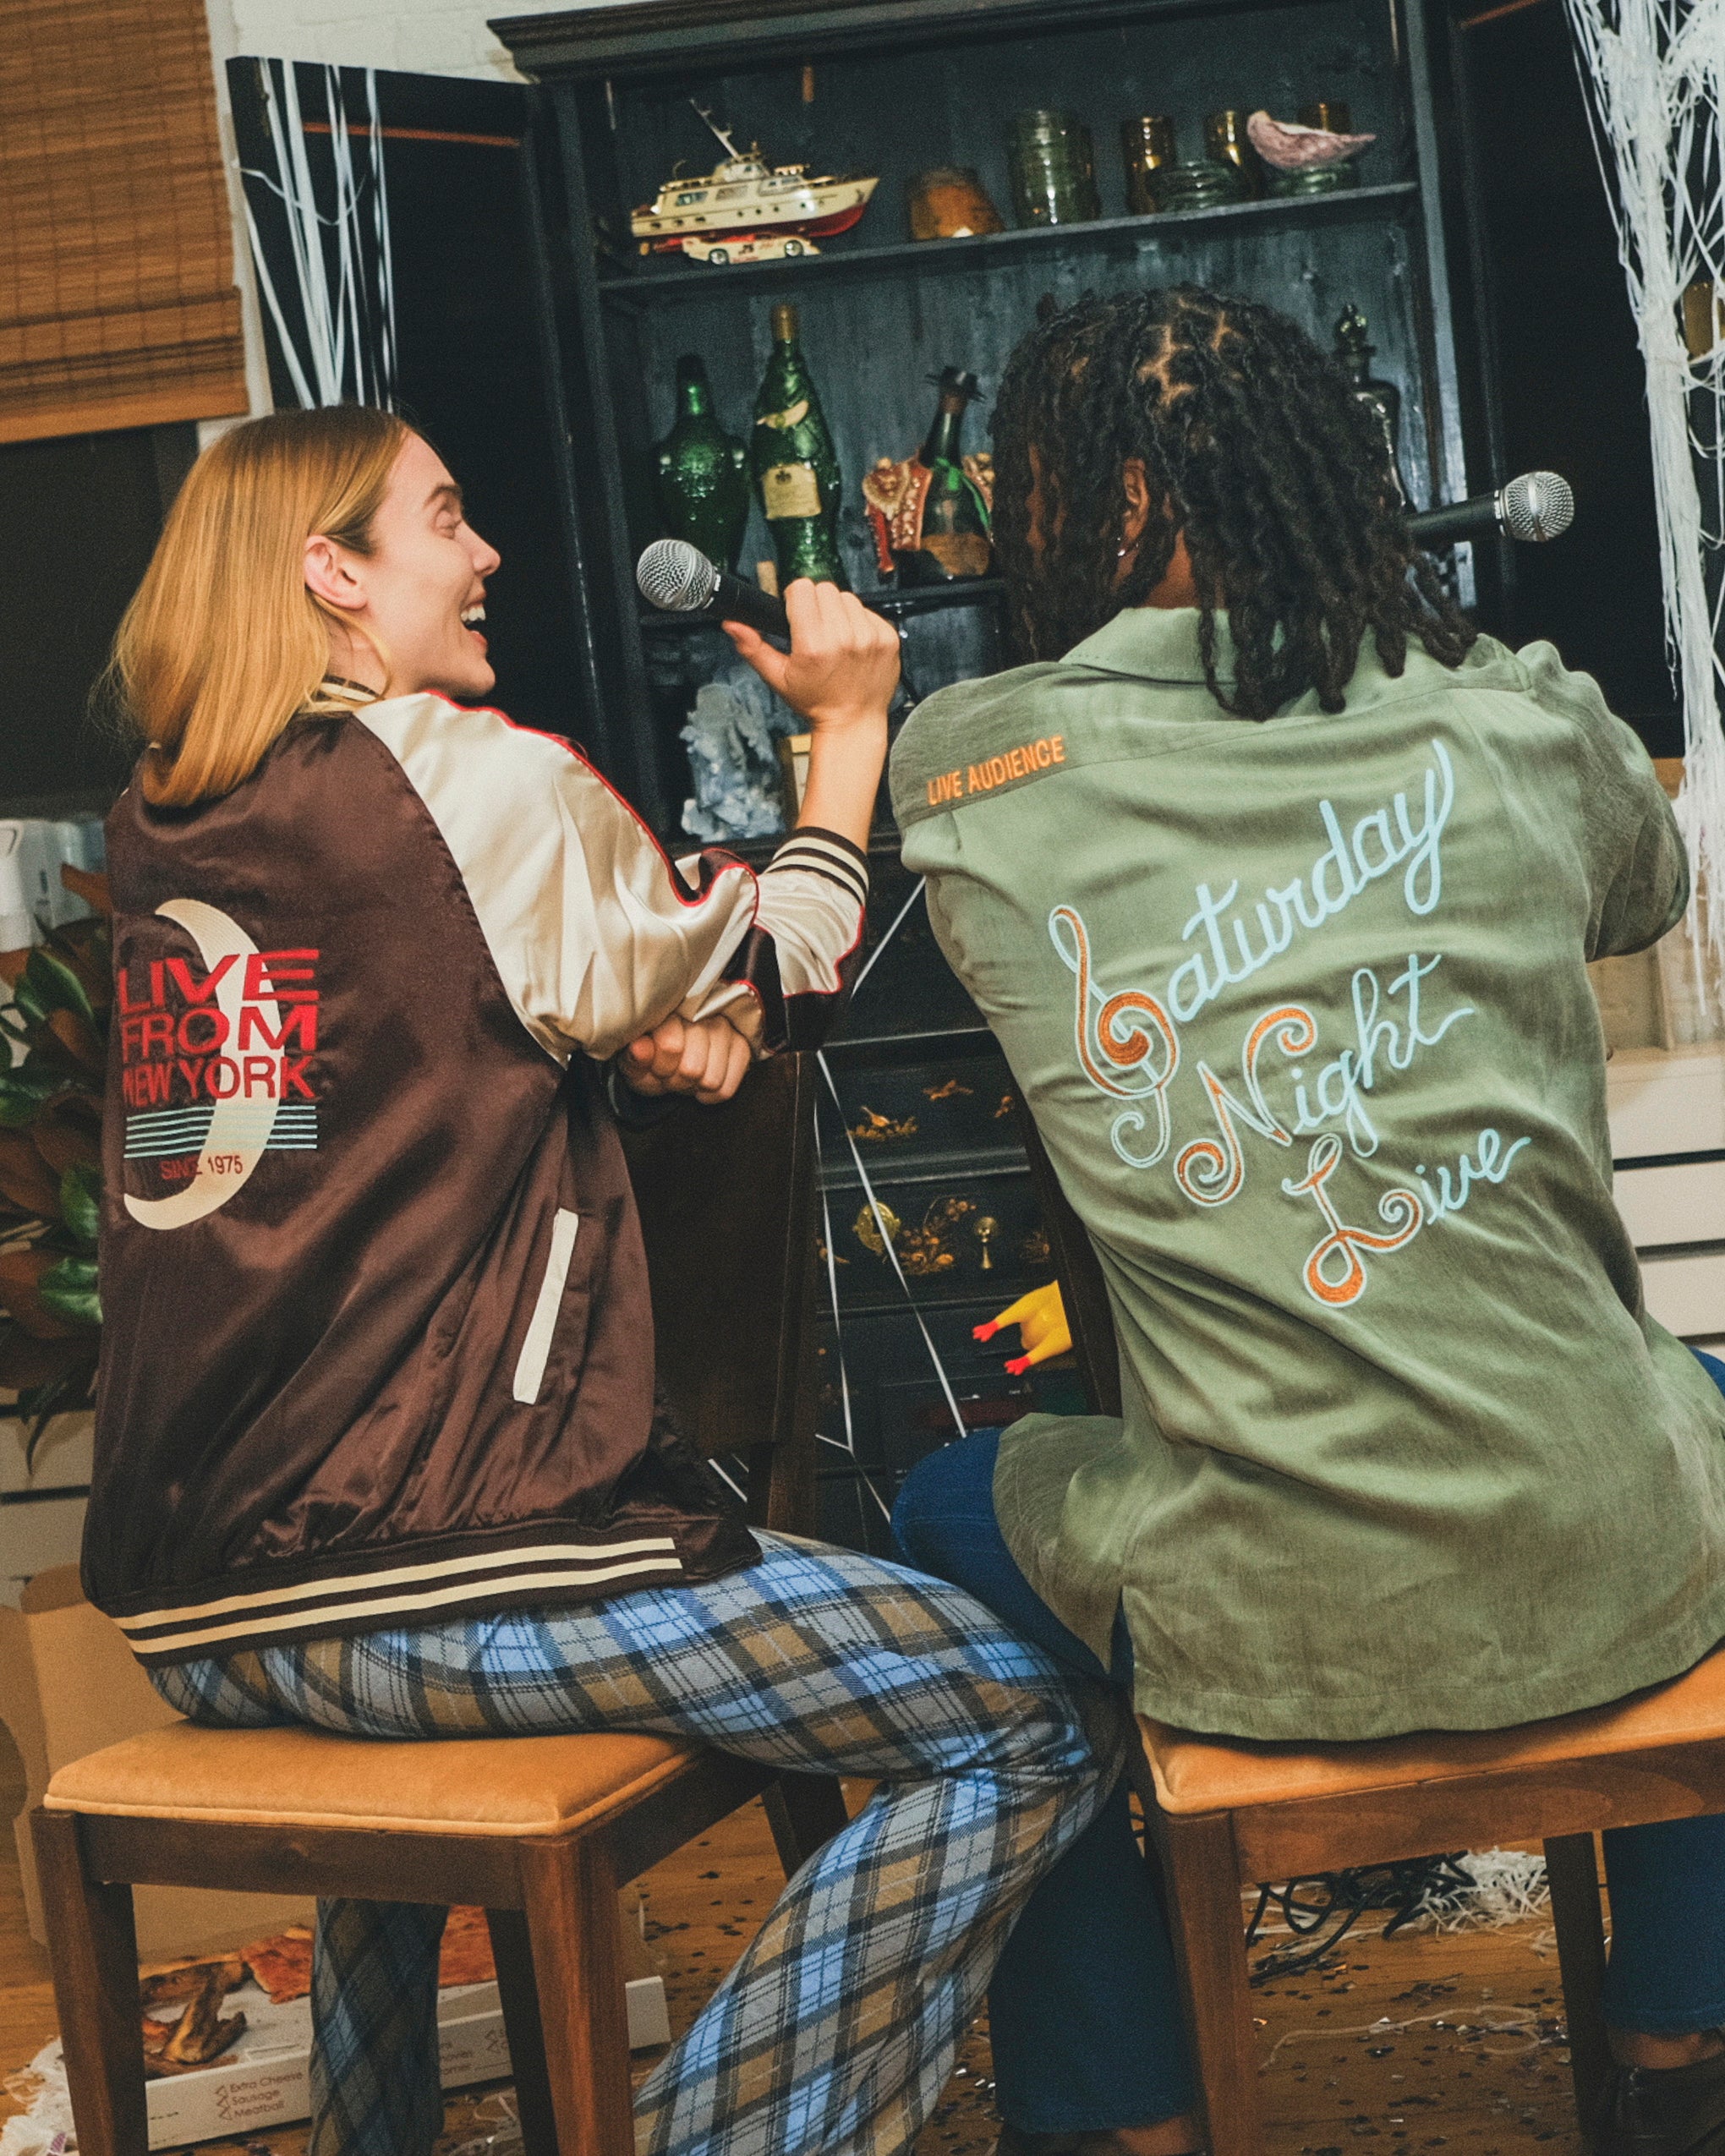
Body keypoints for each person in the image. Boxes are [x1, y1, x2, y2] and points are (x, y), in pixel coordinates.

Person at [87, 405, 1131, 2156]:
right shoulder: (465, 775)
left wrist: (654, 1025)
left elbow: (435, 1050)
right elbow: (794, 959)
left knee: (392, 1813)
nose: (485, 551)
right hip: (448, 1577)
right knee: (1023, 1721)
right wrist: (852, 728)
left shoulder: (164, 822)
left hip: (201, 1601)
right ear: (333, 573)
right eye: (444, 516)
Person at [881, 285, 1725, 2156]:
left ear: (1067, 510)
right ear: (1338, 477)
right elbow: (1644, 884)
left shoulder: (966, 765)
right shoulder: (1504, 720)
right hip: (1589, 1541)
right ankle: (1685, 2038)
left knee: (945, 1514)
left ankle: (1125, 2115)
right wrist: (1497, 688)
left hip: (1260, 1597)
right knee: (1700, 1425)